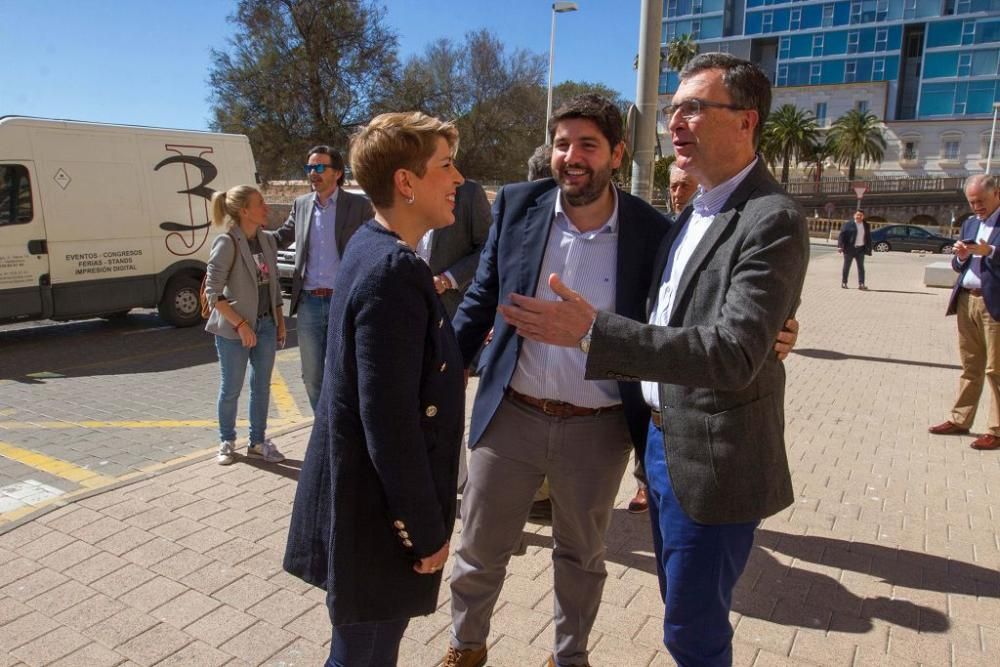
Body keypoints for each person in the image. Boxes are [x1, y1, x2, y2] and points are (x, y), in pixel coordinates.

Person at [443, 93, 799, 667]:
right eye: (562, 144)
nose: (571, 157)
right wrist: (443, 372)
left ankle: (570, 656)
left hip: (599, 427)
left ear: (616, 154)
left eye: (587, 145)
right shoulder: (516, 206)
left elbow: (689, 314)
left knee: (581, 556)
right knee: (480, 547)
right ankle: (466, 645)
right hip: (511, 413)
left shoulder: (653, 229)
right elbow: (481, 299)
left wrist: (778, 332)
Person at [283, 112, 465, 667]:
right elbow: (389, 421)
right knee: (363, 655)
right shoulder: (392, 271)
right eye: (446, 165)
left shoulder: (370, 243)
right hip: (380, 516)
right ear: (406, 183)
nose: (459, 179)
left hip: (365, 502)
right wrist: (425, 530)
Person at [274, 146, 374, 411]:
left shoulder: (359, 206)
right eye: (309, 168)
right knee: (312, 376)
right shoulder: (302, 204)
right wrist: (247, 239)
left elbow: (374, 243)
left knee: (345, 372)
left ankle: (346, 432)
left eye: (320, 167)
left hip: (343, 301)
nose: (313, 173)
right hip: (308, 304)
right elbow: (283, 236)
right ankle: (324, 434)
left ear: (338, 172)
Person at [203, 185, 287, 465]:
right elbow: (213, 293)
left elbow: (273, 284)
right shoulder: (227, 242)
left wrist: (280, 320)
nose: (266, 208)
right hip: (233, 330)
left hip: (265, 325)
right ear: (244, 211)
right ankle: (226, 441)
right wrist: (240, 325)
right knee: (231, 387)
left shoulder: (266, 240)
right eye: (260, 203)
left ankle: (258, 442)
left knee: (262, 386)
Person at [929, 174, 1000, 450]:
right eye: (972, 202)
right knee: (970, 367)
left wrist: (990, 250)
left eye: (981, 201)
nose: (976, 207)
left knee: (996, 369)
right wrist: (960, 256)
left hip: (993, 303)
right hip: (966, 301)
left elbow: (992, 253)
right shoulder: (970, 222)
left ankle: (996, 429)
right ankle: (960, 418)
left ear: (996, 193)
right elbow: (960, 266)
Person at [417, 179, 492, 318]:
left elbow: (488, 247)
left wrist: (447, 279)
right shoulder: (408, 189)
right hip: (412, 306)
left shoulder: (469, 193)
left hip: (453, 310)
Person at [838, 210, 872, 290]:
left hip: (860, 249)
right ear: (854, 215)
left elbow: (868, 237)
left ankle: (861, 284)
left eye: (861, 215)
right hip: (849, 249)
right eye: (857, 215)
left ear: (863, 216)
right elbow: (842, 235)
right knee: (846, 267)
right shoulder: (848, 224)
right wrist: (840, 246)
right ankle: (844, 282)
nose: (859, 216)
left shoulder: (866, 225)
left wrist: (869, 248)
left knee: (861, 268)